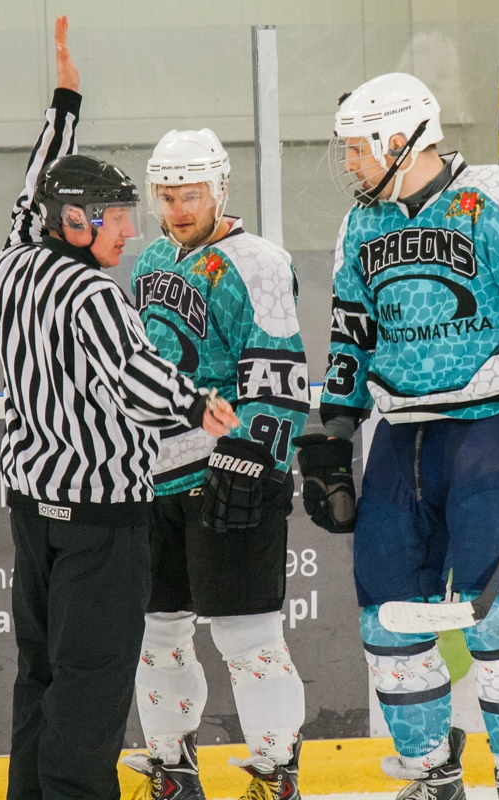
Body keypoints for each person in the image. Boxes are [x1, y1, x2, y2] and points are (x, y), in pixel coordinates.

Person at [293, 73, 499, 800]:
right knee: (386, 620)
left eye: (358, 150)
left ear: (400, 141)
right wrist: (332, 433)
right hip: (402, 435)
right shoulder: (361, 225)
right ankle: (430, 771)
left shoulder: (492, 196)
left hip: (492, 425)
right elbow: (349, 336)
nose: (351, 165)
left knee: (498, 620)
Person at [0, 17, 237, 800]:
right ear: (77, 222)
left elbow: (36, 182)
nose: (131, 231)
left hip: (33, 508)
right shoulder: (92, 292)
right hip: (100, 521)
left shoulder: (17, 263)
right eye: (116, 217)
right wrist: (200, 407)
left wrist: (66, 100)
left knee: (43, 673)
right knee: (92, 686)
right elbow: (136, 381)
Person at [119, 127, 309, 800]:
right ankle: (171, 764)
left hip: (230, 469)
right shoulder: (148, 264)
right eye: (165, 194)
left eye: (190, 193)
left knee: (245, 631)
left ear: (220, 188)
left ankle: (274, 769)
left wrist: (253, 458)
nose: (176, 207)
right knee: (156, 629)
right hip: (158, 475)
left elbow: (280, 368)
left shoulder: (255, 261)